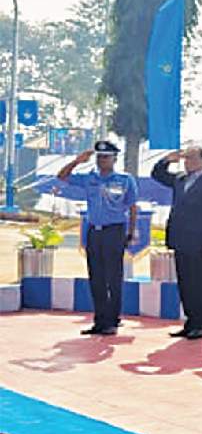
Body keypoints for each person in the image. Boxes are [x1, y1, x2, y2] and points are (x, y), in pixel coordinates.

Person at [56, 141, 138, 336]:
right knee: (96, 278)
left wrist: (131, 232)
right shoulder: (89, 178)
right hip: (94, 231)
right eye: (99, 157)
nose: (102, 160)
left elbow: (132, 207)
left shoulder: (125, 180)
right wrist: (77, 161)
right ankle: (100, 320)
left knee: (113, 277)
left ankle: (113, 320)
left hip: (114, 231)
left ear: (114, 159)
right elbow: (62, 176)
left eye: (106, 157)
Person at [151, 147, 202, 340]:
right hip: (180, 240)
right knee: (185, 284)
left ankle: (201, 325)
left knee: (199, 285)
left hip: (199, 242)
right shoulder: (180, 179)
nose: (186, 161)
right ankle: (190, 322)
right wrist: (167, 160)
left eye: (190, 158)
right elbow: (157, 174)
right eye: (185, 158)